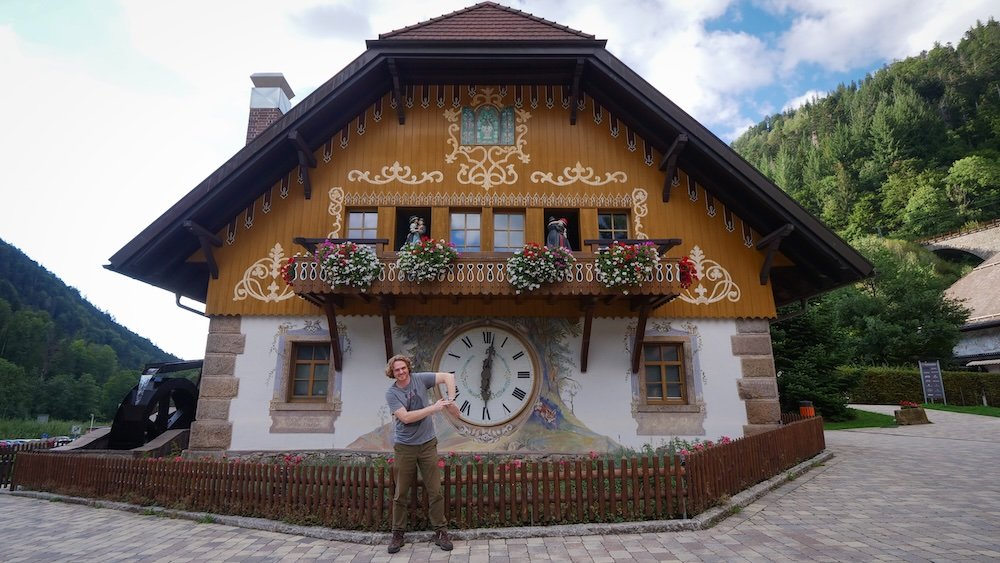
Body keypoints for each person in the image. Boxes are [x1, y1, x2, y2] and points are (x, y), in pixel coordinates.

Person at [384, 354, 458, 553]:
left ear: (408, 367)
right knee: (400, 493)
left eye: (403, 368)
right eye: (396, 370)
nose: (401, 372)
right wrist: (433, 408)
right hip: (405, 446)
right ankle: (398, 533)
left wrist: (451, 399)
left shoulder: (419, 379)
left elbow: (448, 377)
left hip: (427, 444)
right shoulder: (392, 394)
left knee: (435, 491)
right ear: (392, 373)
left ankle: (440, 531)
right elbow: (406, 418)